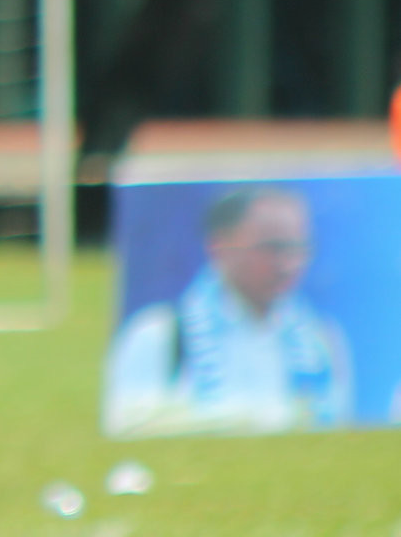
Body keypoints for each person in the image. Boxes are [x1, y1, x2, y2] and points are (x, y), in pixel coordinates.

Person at [103, 185, 352, 437]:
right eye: (272, 248)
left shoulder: (320, 340)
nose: (287, 264)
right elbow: (127, 425)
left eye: (298, 248)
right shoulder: (159, 335)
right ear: (220, 246)